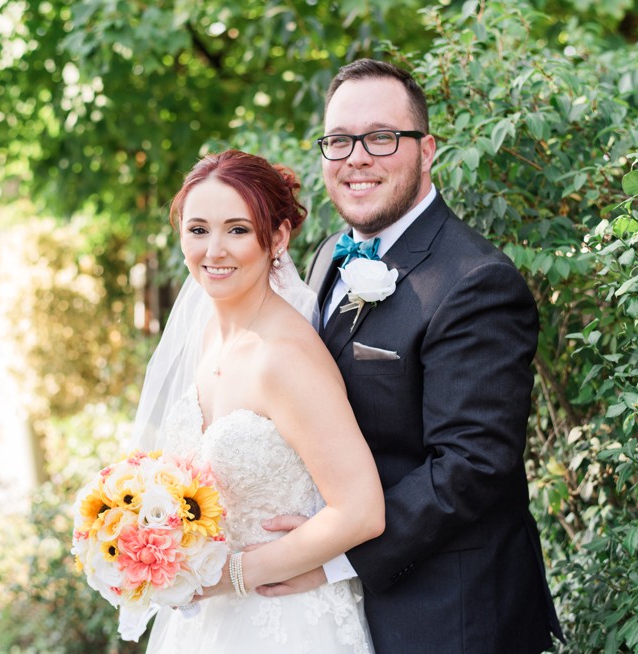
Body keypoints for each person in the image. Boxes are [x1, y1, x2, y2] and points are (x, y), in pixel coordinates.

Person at [258, 59, 565, 653]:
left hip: (449, 615)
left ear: (427, 150)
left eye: (380, 137)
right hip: (335, 614)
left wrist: (332, 555)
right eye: (339, 140)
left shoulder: (476, 281)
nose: (356, 157)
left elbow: (471, 464)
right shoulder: (326, 260)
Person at [140, 149, 384, 654]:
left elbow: (361, 511)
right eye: (198, 229)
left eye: (237, 230)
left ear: (277, 238)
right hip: (206, 622)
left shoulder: (285, 357)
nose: (214, 250)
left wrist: (231, 575)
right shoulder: (208, 336)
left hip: (287, 622)